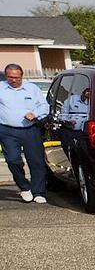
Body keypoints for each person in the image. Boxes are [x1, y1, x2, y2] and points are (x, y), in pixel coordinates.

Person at [0, 63, 50, 204]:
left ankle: (39, 191)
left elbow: (43, 106)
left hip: (30, 129)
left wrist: (35, 114)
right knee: (12, 160)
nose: (14, 80)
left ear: (22, 76)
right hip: (7, 130)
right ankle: (24, 187)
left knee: (36, 161)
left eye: (17, 77)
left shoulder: (31, 88)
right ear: (6, 76)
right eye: (10, 77)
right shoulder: (1, 88)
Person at [58, 82, 90, 179]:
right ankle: (73, 169)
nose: (88, 94)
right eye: (87, 91)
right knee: (71, 149)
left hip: (85, 132)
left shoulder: (94, 101)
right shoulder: (72, 99)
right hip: (71, 130)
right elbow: (62, 114)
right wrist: (67, 120)